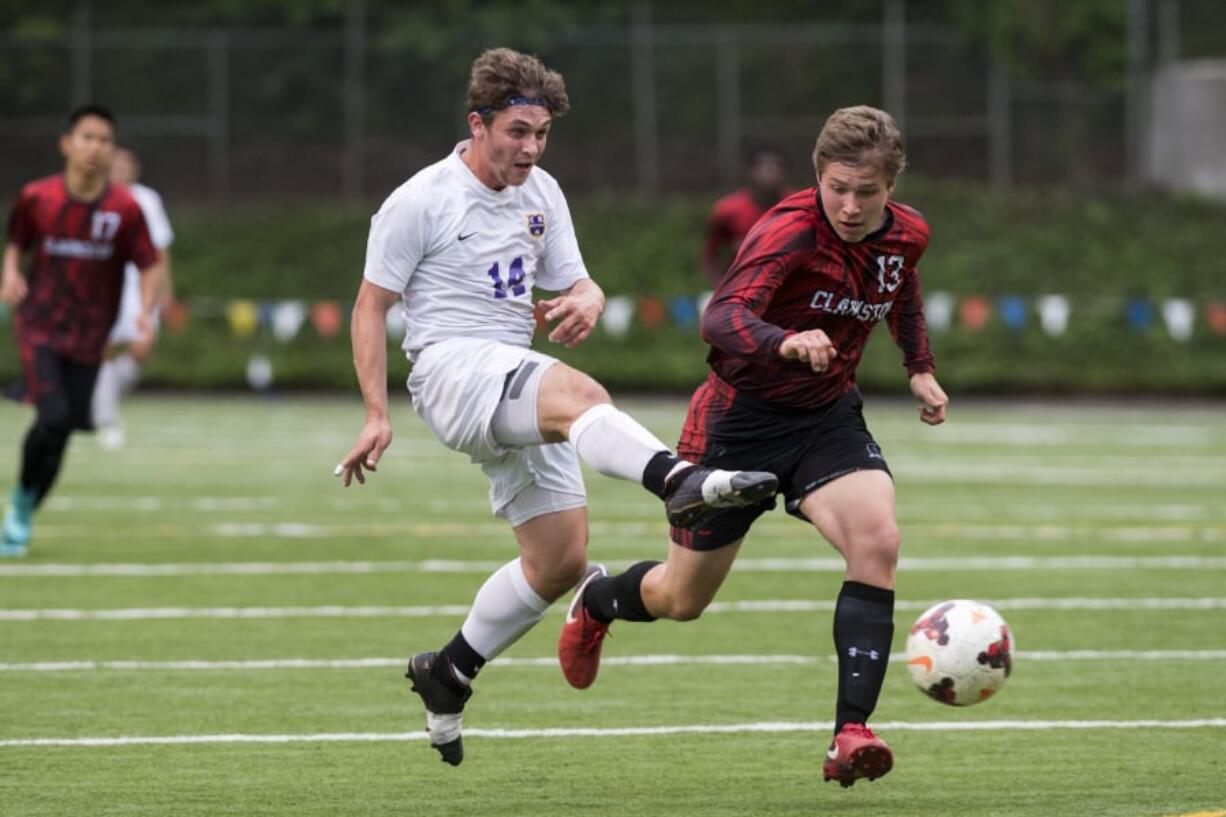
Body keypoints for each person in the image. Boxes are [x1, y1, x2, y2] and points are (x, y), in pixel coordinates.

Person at [334, 47, 775, 767]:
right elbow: (368, 306)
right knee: (582, 394)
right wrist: (376, 413)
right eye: (517, 132)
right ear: (477, 124)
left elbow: (581, 282)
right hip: (451, 370)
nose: (531, 148)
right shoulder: (420, 199)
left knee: (559, 560)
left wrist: (587, 300)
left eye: (541, 134)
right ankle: (679, 480)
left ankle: (448, 671)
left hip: (512, 374)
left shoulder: (543, 193)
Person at [558, 105, 949, 788]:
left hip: (827, 419)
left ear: (893, 186)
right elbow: (721, 316)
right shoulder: (789, 231)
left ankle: (849, 733)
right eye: (838, 188)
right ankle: (598, 601)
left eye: (868, 192)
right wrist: (784, 341)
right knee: (682, 598)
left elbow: (902, 287)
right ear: (817, 176)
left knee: (877, 540)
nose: (851, 206)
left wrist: (919, 364)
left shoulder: (907, 234)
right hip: (736, 423)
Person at [1, 104, 158, 557]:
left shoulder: (125, 209)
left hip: (92, 336)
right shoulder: (37, 197)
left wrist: (145, 312)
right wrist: (10, 274)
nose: (96, 147)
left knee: (63, 430)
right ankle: (20, 509)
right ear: (67, 144)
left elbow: (148, 263)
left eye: (105, 140)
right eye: (87, 137)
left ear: (113, 151)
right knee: (51, 415)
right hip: (40, 326)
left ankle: (24, 507)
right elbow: (16, 243)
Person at [92, 146, 175, 449]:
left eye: (126, 164)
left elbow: (161, 248)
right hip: (103, 286)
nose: (120, 169)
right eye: (115, 165)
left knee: (142, 348)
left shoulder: (148, 200)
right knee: (104, 349)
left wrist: (166, 291)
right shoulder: (95, 197)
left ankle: (99, 400)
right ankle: (107, 419)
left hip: (142, 286)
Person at [702, 145, 790, 286]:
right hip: (742, 293)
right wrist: (719, 289)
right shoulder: (728, 210)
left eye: (776, 165)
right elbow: (712, 254)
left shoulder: (800, 207)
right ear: (750, 171)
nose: (770, 170)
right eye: (763, 165)